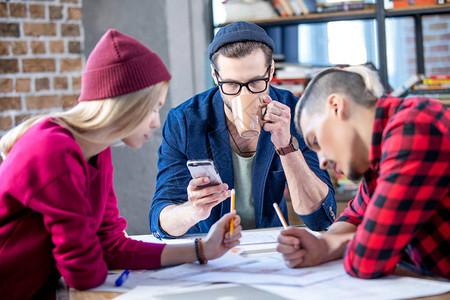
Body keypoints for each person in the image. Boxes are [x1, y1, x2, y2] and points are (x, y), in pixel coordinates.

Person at [0, 29, 242, 300]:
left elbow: (112, 247)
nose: (156, 122)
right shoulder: (54, 151)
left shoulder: (97, 152)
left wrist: (202, 249)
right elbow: (82, 271)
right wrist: (100, 255)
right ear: (126, 105)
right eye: (152, 108)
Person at [149, 21, 336, 239]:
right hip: (209, 248)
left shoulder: (295, 113)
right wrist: (193, 211)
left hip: (270, 243)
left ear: (271, 70)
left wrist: (287, 148)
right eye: (231, 85)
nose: (242, 96)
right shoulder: (185, 121)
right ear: (215, 76)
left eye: (256, 82)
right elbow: (159, 221)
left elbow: (321, 219)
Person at [277, 65, 449, 279]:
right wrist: (322, 245)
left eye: (315, 141)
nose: (321, 162)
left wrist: (334, 245)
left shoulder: (413, 127)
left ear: (336, 106)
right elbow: (352, 218)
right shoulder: (376, 156)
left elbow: (367, 260)